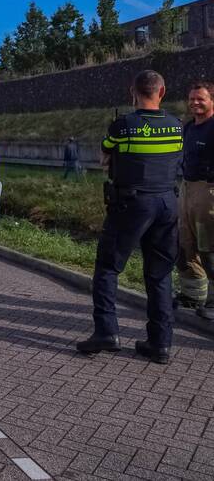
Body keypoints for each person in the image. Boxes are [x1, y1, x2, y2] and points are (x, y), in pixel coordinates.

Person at [77, 70, 182, 364]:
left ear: (132, 92)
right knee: (160, 274)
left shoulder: (122, 126)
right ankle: (160, 343)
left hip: (132, 204)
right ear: (162, 92)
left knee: (108, 267)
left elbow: (105, 156)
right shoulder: (176, 125)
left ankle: (106, 332)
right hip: (167, 203)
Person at [176, 80, 214, 316]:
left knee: (210, 246)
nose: (195, 103)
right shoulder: (189, 127)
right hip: (187, 188)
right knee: (185, 243)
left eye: (200, 98)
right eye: (191, 99)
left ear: (212, 100)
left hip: (209, 191)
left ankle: (213, 302)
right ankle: (192, 295)